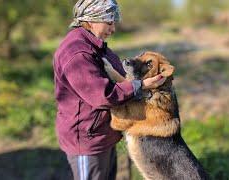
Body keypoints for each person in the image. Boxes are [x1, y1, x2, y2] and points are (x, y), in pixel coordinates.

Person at [53, 0, 166, 179]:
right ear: (91, 20)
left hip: (102, 134)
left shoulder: (97, 46)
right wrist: (142, 86)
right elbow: (103, 96)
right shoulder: (77, 53)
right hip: (87, 140)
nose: (113, 29)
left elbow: (121, 78)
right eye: (109, 22)